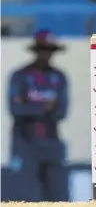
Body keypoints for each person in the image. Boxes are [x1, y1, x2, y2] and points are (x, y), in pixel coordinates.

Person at [7, 30, 69, 202]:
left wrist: (33, 107)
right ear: (35, 51)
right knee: (26, 196)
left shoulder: (58, 77)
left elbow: (61, 111)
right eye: (42, 50)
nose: (46, 55)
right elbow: (16, 109)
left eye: (50, 51)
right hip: (25, 144)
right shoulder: (20, 76)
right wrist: (44, 107)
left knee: (57, 196)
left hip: (51, 144)